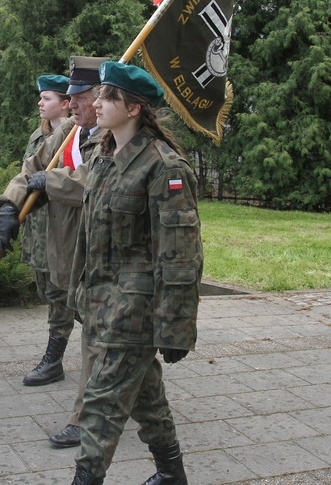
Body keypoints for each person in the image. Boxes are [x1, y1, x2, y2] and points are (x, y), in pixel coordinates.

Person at [70, 62, 201, 485]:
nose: (98, 102)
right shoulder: (105, 158)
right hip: (104, 302)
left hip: (137, 310)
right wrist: (81, 293)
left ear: (134, 109)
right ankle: (171, 473)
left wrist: (176, 327)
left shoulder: (165, 167)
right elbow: (92, 239)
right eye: (100, 95)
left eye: (108, 97)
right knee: (146, 396)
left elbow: (180, 256)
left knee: (101, 403)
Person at [0, 56, 108, 447]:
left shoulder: (114, 138)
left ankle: (85, 418)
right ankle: (137, 403)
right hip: (67, 252)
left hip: (100, 257)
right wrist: (10, 206)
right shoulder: (68, 136)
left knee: (98, 337)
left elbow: (92, 182)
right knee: (114, 347)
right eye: (72, 97)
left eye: (80, 96)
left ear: (101, 97)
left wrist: (52, 181)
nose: (72, 104)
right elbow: (30, 169)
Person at [19, 74, 72, 344]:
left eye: (47, 98)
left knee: (58, 294)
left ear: (66, 104)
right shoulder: (38, 135)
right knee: (45, 290)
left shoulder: (75, 138)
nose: (40, 102)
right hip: (37, 226)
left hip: (61, 227)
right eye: (40, 97)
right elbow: (26, 173)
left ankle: (56, 351)